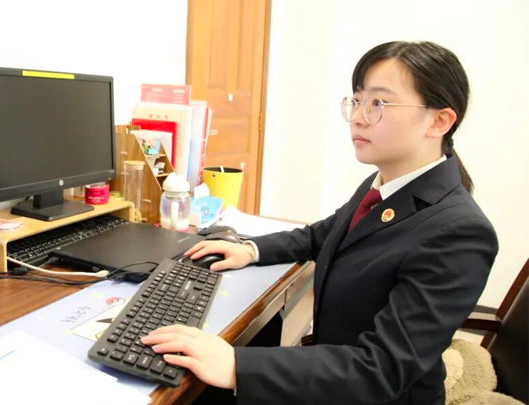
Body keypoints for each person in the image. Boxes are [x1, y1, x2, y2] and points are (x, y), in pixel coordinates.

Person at [141, 41, 499, 405]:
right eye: (357, 101)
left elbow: (381, 369)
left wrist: (237, 364)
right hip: (332, 375)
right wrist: (251, 249)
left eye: (378, 103)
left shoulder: (459, 233)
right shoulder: (386, 183)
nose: (358, 117)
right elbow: (324, 234)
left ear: (439, 121)